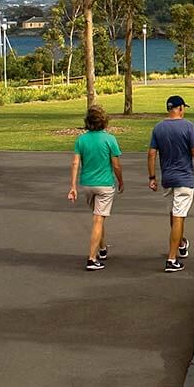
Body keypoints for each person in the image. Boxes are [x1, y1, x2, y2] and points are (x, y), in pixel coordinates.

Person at [148, 95, 194, 273]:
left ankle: (182, 243)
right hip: (184, 178)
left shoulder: (158, 128)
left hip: (167, 179)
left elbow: (152, 153)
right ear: (180, 108)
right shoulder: (188, 126)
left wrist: (152, 177)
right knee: (179, 216)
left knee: (174, 214)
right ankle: (171, 259)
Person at [67, 104, 123, 271]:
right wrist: (121, 181)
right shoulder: (110, 139)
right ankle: (92, 258)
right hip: (105, 185)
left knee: (99, 216)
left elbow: (75, 163)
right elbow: (116, 165)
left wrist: (73, 186)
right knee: (98, 219)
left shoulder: (81, 140)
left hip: (87, 185)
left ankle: (103, 248)